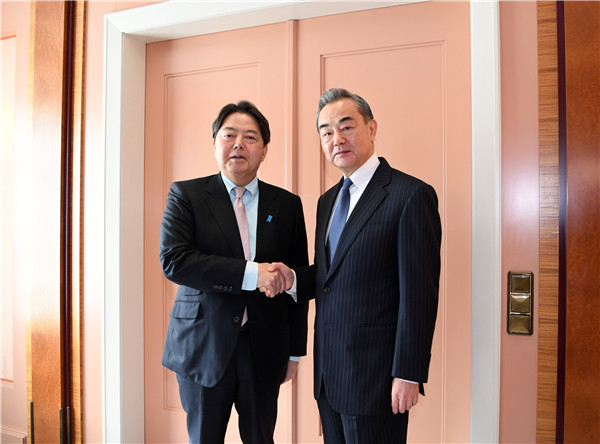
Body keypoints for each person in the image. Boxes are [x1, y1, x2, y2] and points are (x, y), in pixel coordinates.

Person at [268, 88, 442, 443]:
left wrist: (408, 373)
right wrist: (293, 279)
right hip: (329, 377)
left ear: (372, 128)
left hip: (378, 378)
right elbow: (330, 276)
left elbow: (420, 295)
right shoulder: (327, 201)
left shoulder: (410, 195)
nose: (337, 139)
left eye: (347, 127)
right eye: (327, 132)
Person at [160, 100, 309, 443]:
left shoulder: (287, 205)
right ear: (215, 143)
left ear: (265, 149)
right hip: (203, 344)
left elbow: (297, 281)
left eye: (250, 137)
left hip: (264, 347)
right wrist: (253, 274)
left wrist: (294, 351)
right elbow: (175, 260)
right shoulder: (186, 195)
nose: (239, 144)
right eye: (229, 135)